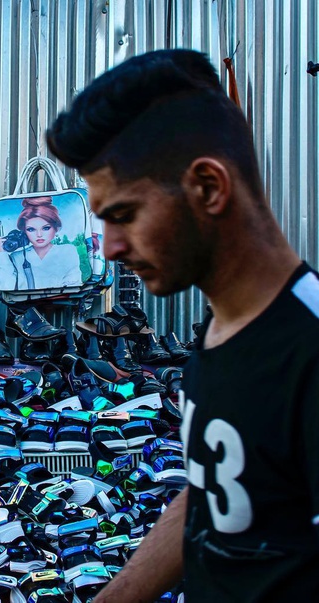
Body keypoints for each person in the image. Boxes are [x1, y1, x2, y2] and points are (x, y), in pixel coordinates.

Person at [47, 48, 319, 600]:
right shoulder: (221, 331)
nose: (112, 247)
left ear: (209, 188)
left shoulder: (309, 353)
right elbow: (211, 493)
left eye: (124, 214)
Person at [0, 196, 83, 290]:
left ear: (55, 228)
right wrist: (2, 255)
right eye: (31, 229)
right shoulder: (17, 257)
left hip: (62, 303)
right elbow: (5, 287)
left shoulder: (67, 250)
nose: (39, 235)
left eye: (46, 228)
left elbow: (74, 285)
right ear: (24, 232)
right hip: (24, 304)